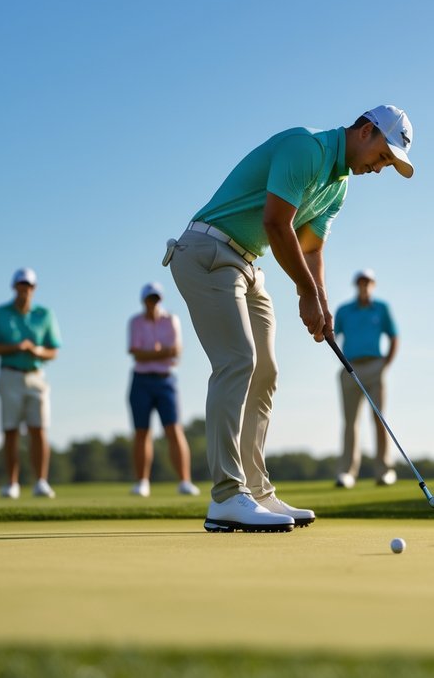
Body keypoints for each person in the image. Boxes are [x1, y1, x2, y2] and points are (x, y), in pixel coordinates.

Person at [164, 105, 415, 532]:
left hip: (247, 265)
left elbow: (311, 248)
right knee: (237, 361)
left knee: (266, 372)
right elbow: (277, 224)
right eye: (384, 156)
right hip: (206, 252)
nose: (382, 167)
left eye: (390, 163)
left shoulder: (338, 187)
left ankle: (258, 492)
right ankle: (227, 495)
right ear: (366, 131)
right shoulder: (307, 148)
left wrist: (321, 300)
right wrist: (305, 292)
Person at [0, 268, 62, 497]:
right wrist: (16, 347)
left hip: (36, 376)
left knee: (39, 430)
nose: (24, 289)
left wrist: (36, 350)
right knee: (10, 431)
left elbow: (53, 351)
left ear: (34, 288)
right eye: (21, 285)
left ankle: (40, 482)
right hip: (9, 375)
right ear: (14, 287)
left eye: (28, 285)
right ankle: (12, 483)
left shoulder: (45, 314)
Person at [127, 282, 197, 497]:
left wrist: (155, 352)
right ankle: (142, 482)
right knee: (142, 432)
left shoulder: (171, 319)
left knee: (174, 430)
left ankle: (185, 481)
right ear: (144, 300)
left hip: (166, 381)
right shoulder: (136, 322)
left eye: (156, 298)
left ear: (161, 300)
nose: (153, 302)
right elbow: (136, 353)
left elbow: (175, 352)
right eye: (150, 299)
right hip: (141, 381)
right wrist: (161, 352)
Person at [333, 268, 399, 488]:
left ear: (373, 285)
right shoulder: (344, 310)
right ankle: (347, 473)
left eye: (368, 282)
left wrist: (385, 364)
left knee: (379, 419)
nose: (365, 285)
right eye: (361, 282)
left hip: (375, 366)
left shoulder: (381, 308)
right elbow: (332, 335)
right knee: (350, 423)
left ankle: (385, 471)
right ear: (356, 285)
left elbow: (393, 336)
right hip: (350, 368)